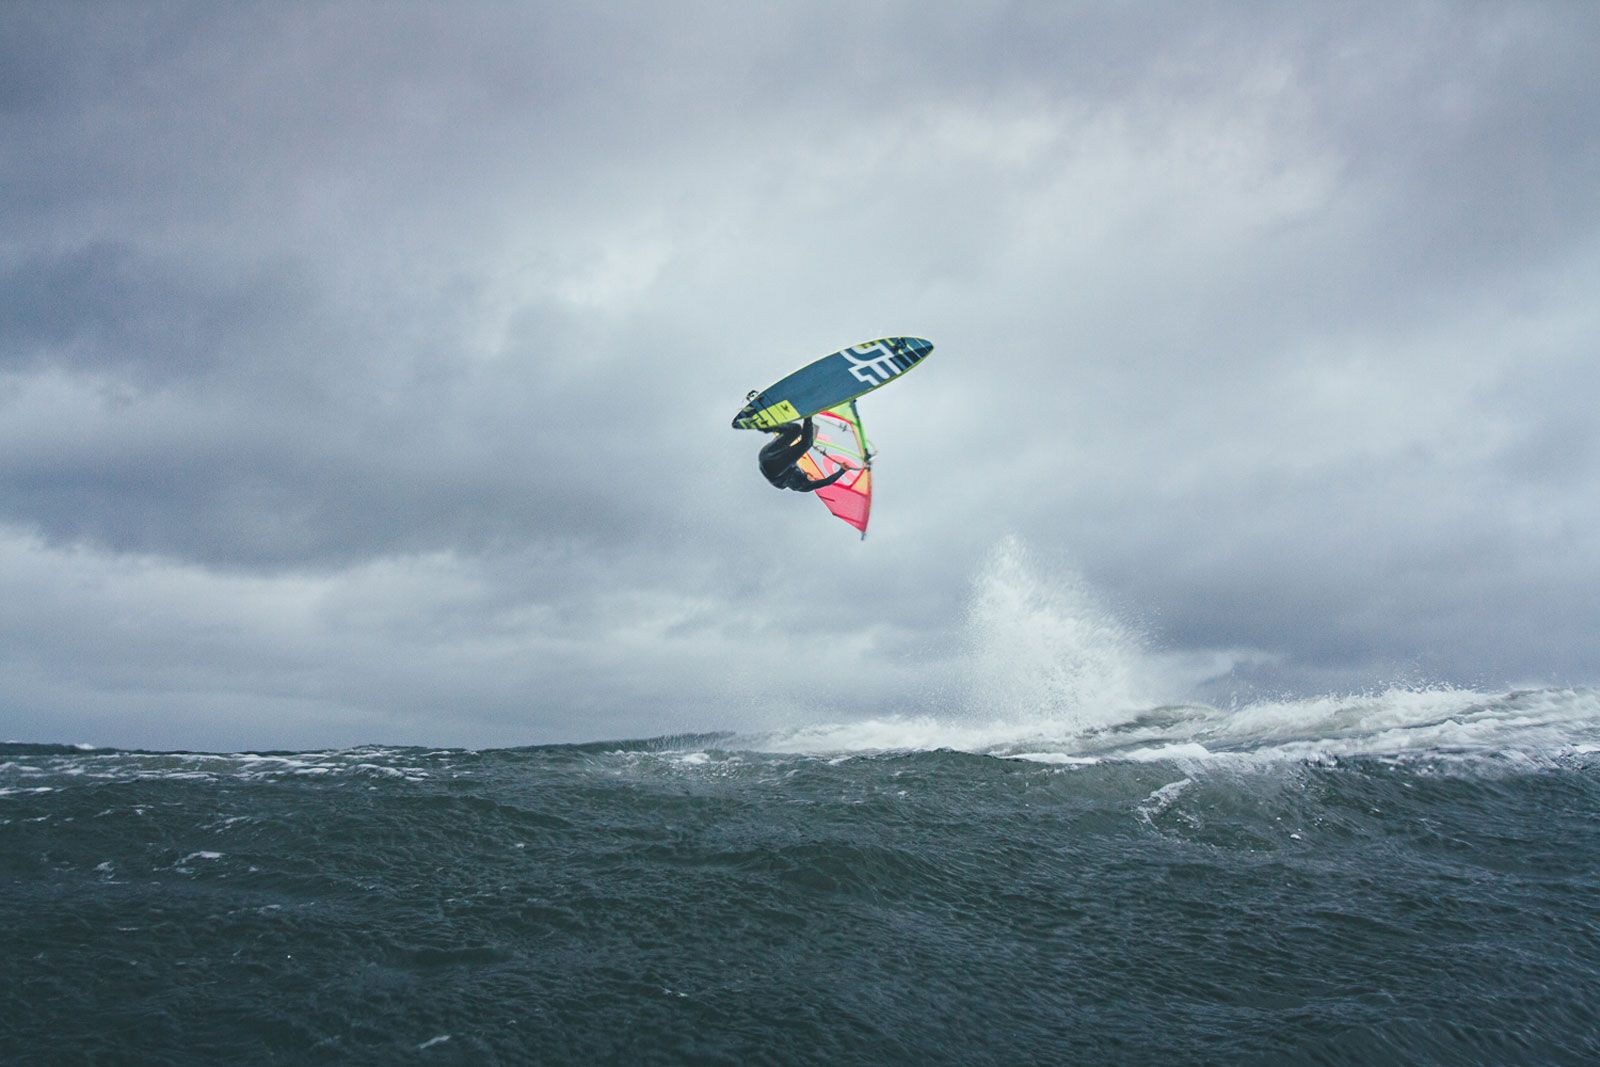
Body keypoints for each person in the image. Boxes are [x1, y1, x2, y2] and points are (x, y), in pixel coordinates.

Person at [758, 416, 849, 492]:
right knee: (795, 429)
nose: (814, 477)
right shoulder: (795, 467)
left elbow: (827, 482)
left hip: (773, 468)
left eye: (814, 479)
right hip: (767, 456)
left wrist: (842, 471)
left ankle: (808, 416)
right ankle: (765, 425)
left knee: (806, 443)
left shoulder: (802, 486)